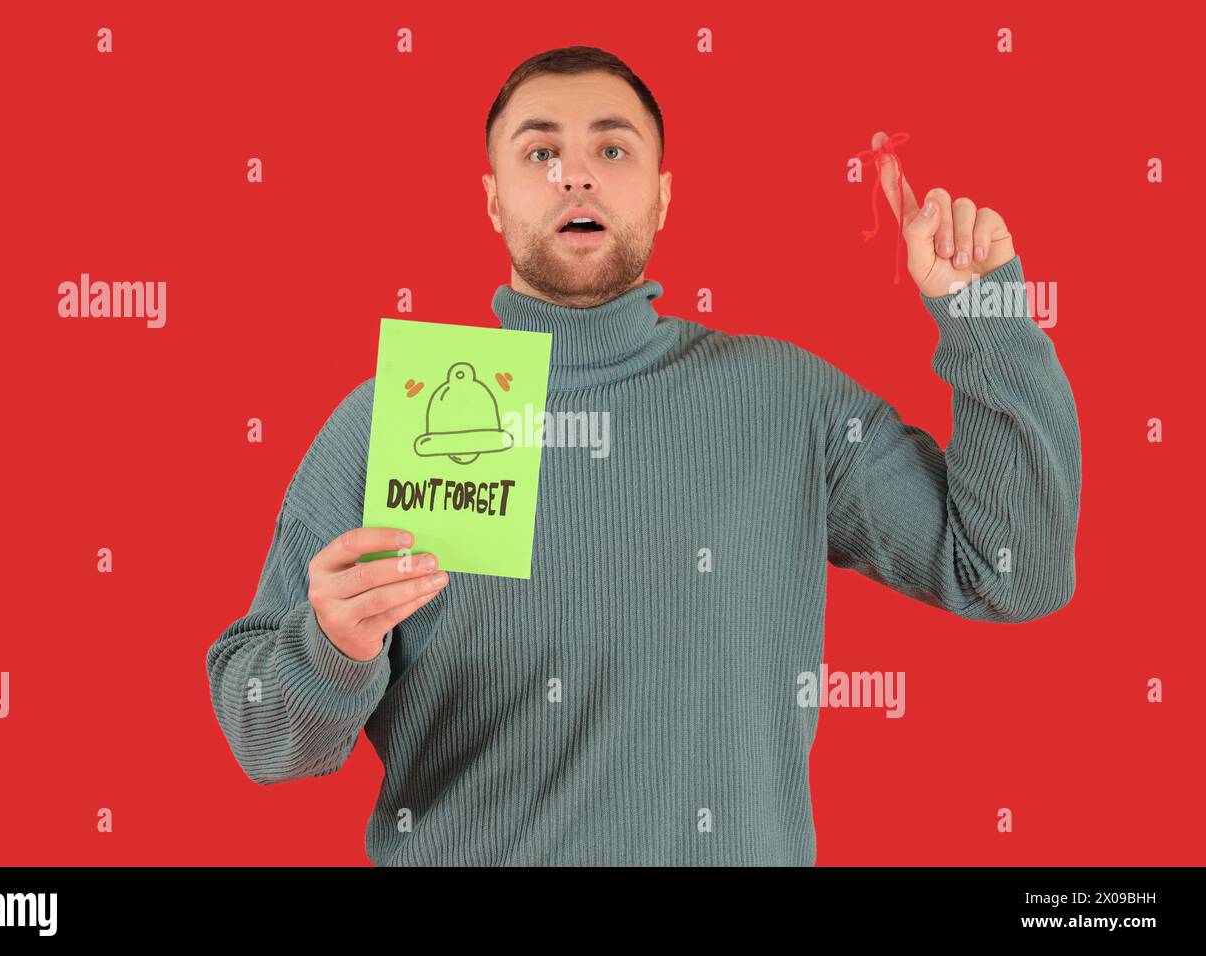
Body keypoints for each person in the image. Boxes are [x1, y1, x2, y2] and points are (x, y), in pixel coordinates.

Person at [205, 45, 1081, 866]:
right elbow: (263, 740)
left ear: (663, 197)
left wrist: (986, 321)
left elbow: (1012, 571)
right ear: (493, 200)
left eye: (612, 151)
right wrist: (332, 646)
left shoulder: (786, 400)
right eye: (539, 152)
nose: (576, 173)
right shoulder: (391, 420)